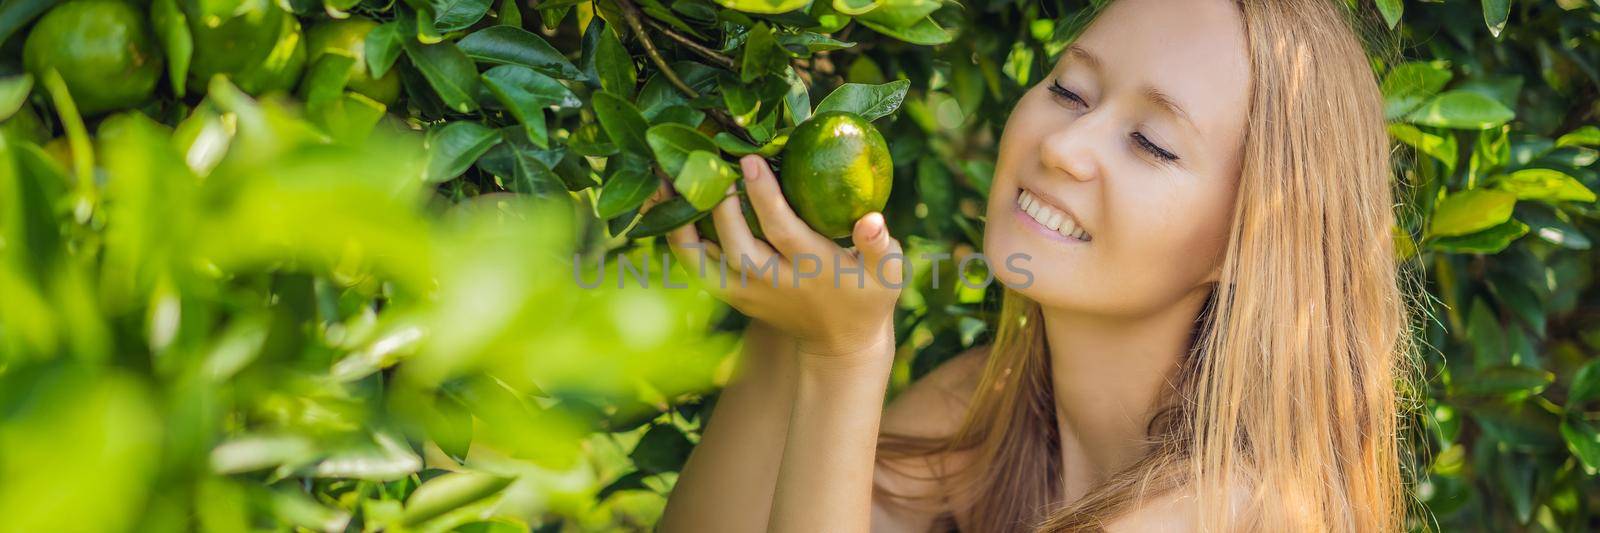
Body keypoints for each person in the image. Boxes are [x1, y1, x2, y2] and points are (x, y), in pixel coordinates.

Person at [653, 0, 1416, 530]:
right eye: (1071, 89)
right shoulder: (986, 411)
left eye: (1151, 143)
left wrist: (843, 355)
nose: (1063, 146)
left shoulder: (1229, 513)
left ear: (1253, 244)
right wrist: (787, 322)